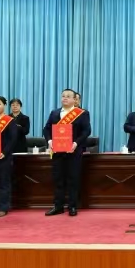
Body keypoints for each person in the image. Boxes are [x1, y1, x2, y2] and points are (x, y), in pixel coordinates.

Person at [43, 88, 91, 217]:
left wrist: (76, 143)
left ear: (75, 100)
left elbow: (86, 131)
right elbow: (46, 129)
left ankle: (72, 206)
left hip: (74, 151)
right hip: (57, 152)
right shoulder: (54, 113)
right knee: (58, 179)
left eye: (68, 96)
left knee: (73, 179)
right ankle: (58, 206)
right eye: (63, 96)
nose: (65, 98)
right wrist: (50, 141)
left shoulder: (82, 113)